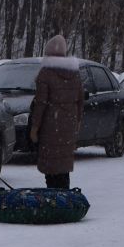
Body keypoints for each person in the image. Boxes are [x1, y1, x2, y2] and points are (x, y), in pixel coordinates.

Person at [30, 34, 84, 189]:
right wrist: (77, 121)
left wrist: (35, 127)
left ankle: (53, 198)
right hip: (68, 126)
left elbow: (41, 103)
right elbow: (80, 100)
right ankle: (64, 198)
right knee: (63, 165)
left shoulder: (46, 73)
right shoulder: (74, 73)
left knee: (51, 166)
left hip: (50, 126)